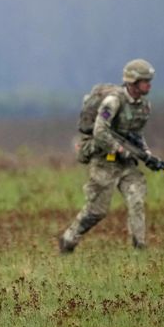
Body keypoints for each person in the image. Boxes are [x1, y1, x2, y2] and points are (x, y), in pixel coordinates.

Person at [59, 59, 155, 253]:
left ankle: (140, 248)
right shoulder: (112, 102)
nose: (149, 84)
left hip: (126, 164)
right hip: (104, 160)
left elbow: (136, 134)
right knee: (97, 210)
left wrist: (146, 153)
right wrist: (119, 149)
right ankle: (69, 238)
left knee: (136, 200)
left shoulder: (144, 106)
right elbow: (100, 131)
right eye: (145, 80)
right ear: (133, 81)